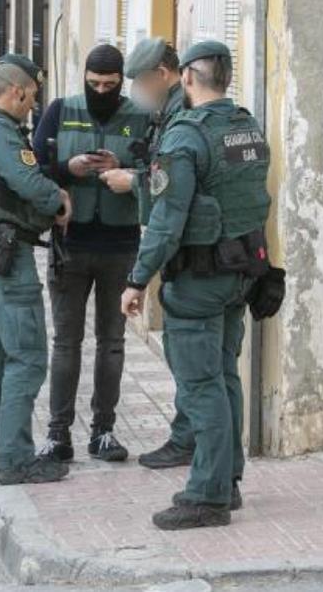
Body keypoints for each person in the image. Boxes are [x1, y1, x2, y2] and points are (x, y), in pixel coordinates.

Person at [120, 40, 271, 530]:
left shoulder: (185, 136)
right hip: (241, 273)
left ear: (186, 77)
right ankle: (227, 480)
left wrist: (137, 279)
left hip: (199, 279)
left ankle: (207, 494)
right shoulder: (244, 126)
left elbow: (166, 219)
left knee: (201, 384)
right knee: (225, 376)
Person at [0, 54, 72, 486]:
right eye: (32, 97)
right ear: (18, 91)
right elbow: (25, 181)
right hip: (7, 254)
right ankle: (15, 458)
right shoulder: (1, 131)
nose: (33, 106)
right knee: (27, 356)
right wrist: (57, 199)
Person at [31, 44, 148, 463]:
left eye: (109, 85)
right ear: (84, 77)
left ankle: (104, 431)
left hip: (120, 247)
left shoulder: (141, 117)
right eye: (94, 83)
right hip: (71, 245)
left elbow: (156, 173)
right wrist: (69, 169)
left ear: (121, 82)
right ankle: (58, 434)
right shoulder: (61, 110)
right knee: (66, 342)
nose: (100, 91)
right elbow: (35, 167)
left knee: (112, 342)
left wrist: (127, 168)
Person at [101, 38, 197, 470]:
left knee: (192, 362)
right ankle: (195, 444)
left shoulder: (184, 118)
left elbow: (172, 192)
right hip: (192, 250)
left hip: (192, 254)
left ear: (163, 73)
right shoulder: (171, 113)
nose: (137, 90)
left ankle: (196, 451)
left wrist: (133, 183)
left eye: (141, 80)